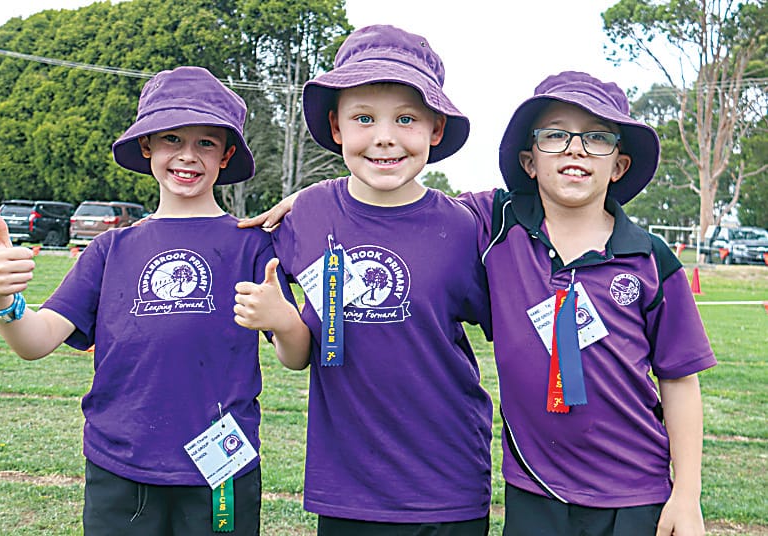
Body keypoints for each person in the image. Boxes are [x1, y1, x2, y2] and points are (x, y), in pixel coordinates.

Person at [242, 71, 718, 536]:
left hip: (635, 492)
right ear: (529, 161)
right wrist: (313, 199)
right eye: (556, 136)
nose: (575, 149)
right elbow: (394, 203)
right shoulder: (496, 226)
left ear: (619, 164)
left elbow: (680, 379)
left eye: (596, 138)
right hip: (535, 487)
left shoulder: (650, 260)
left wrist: (688, 494)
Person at [0, 66, 309, 535]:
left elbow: (296, 357)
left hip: (222, 469)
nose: (187, 156)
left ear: (226, 155)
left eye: (206, 143)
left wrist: (284, 321)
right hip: (120, 466)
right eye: (172, 138)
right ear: (147, 146)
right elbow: (35, 341)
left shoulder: (251, 245)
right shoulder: (109, 249)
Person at [235, 24, 493, 535]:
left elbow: (513, 327)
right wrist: (283, 320)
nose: (384, 136)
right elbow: (299, 354)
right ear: (336, 127)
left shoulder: (463, 228)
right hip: (349, 485)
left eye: (406, 118)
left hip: (449, 482)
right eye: (363, 118)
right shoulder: (306, 216)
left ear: (435, 129)